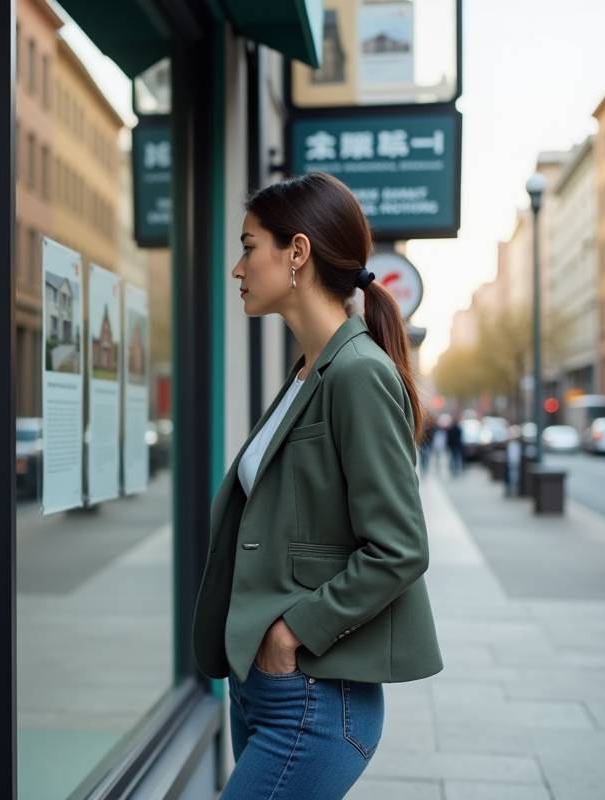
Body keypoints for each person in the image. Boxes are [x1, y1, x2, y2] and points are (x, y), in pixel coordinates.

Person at [191, 172, 442, 800]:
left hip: (315, 696)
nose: (237, 267)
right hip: (263, 689)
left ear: (296, 252)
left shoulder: (357, 373)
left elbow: (400, 547)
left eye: (250, 246)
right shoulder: (309, 372)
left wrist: (292, 632)